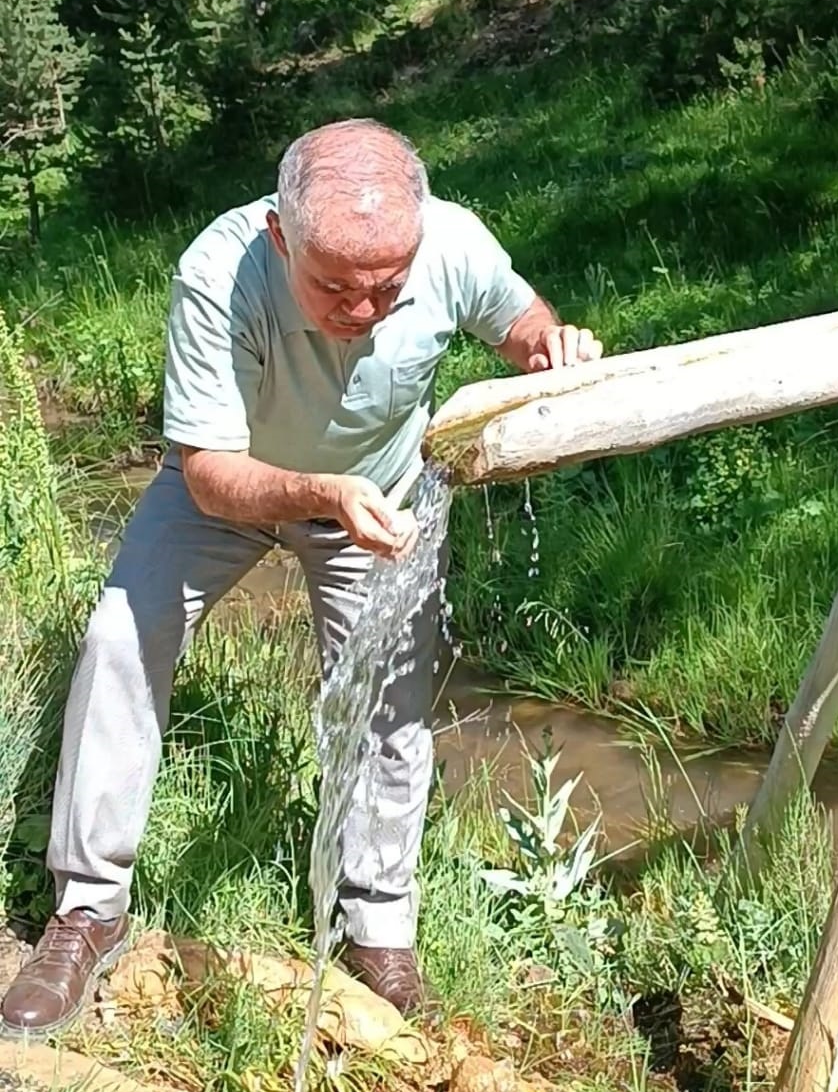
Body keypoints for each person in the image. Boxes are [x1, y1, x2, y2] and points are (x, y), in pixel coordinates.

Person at [0, 119, 603, 1038]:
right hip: (223, 487)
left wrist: (548, 346)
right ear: (281, 236)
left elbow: (521, 321)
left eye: (386, 289)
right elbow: (208, 471)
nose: (362, 310)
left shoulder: (452, 242)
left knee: (392, 702)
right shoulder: (219, 274)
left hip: (377, 502)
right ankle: (88, 912)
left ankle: (379, 929)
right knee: (120, 638)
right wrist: (321, 491)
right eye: (335, 288)